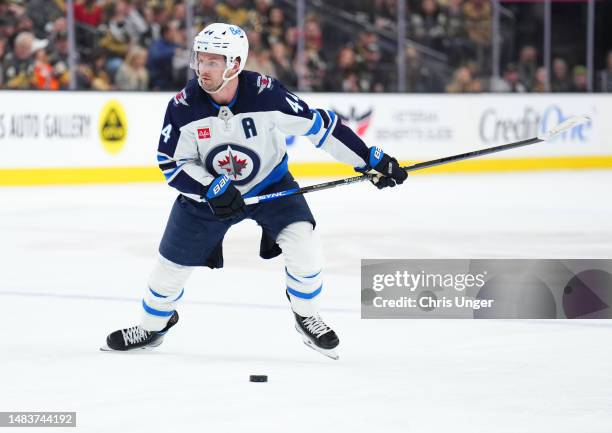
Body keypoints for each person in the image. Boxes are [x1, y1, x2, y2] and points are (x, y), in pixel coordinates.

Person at [102, 23, 407, 360]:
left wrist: (367, 159)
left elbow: (320, 127)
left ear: (235, 64)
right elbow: (171, 164)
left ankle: (306, 316)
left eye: (213, 62)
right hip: (209, 196)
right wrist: (210, 187)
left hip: (271, 185)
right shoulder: (183, 106)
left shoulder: (267, 94)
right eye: (200, 60)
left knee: (304, 244)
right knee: (168, 268)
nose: (203, 69)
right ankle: (151, 327)